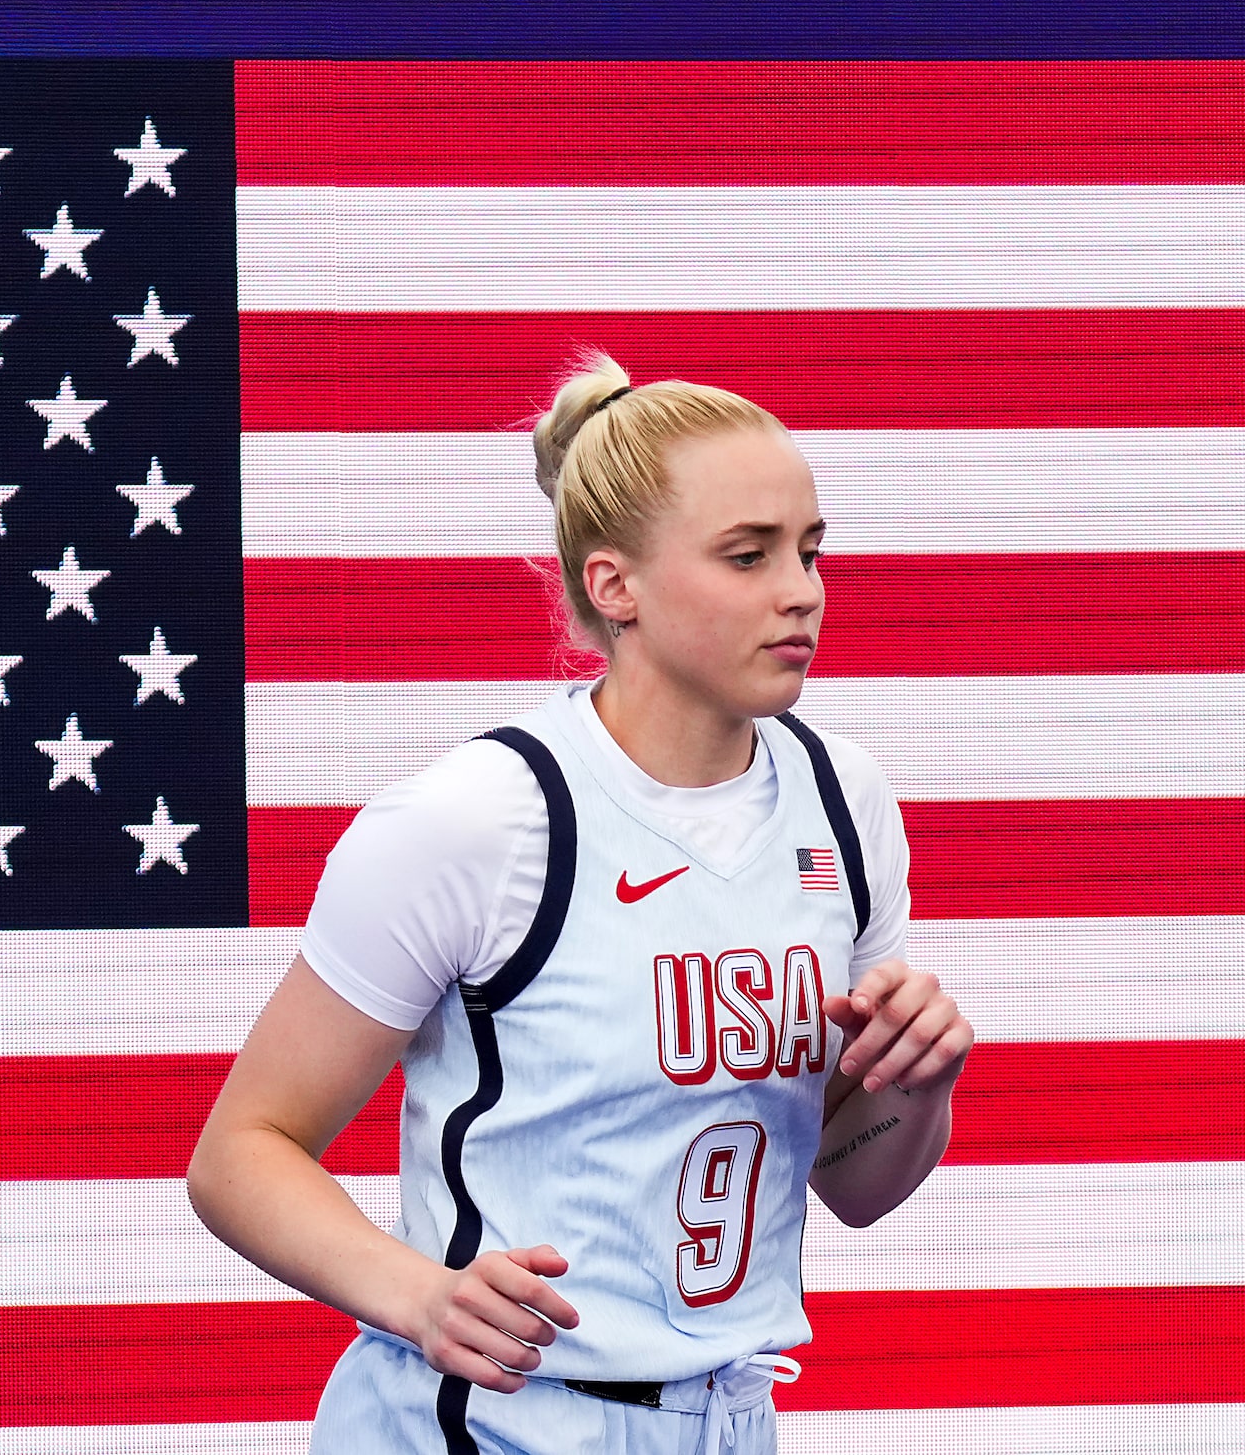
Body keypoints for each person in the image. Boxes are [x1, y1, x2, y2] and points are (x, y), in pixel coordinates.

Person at [189, 356, 972, 1454]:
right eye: (746, 556)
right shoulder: (482, 819)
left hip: (732, 1417)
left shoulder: (844, 799)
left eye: (810, 549)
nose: (800, 590)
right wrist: (418, 1296)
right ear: (615, 588)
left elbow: (856, 1183)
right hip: (491, 1423)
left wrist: (918, 1089)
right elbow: (240, 1155)